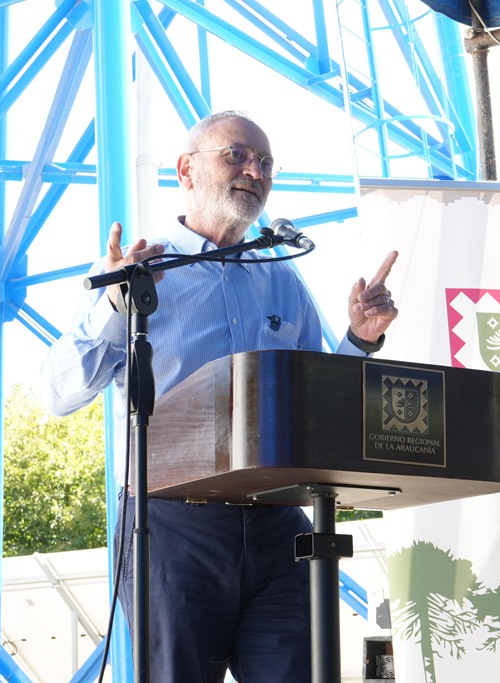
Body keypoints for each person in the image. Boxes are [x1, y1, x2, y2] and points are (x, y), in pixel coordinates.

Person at [40, 110, 399, 683]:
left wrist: (359, 338)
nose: (255, 171)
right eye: (237, 155)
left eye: (266, 163)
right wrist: (113, 306)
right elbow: (60, 392)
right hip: (173, 526)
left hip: (280, 525)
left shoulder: (281, 277)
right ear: (186, 169)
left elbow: (318, 403)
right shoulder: (138, 270)